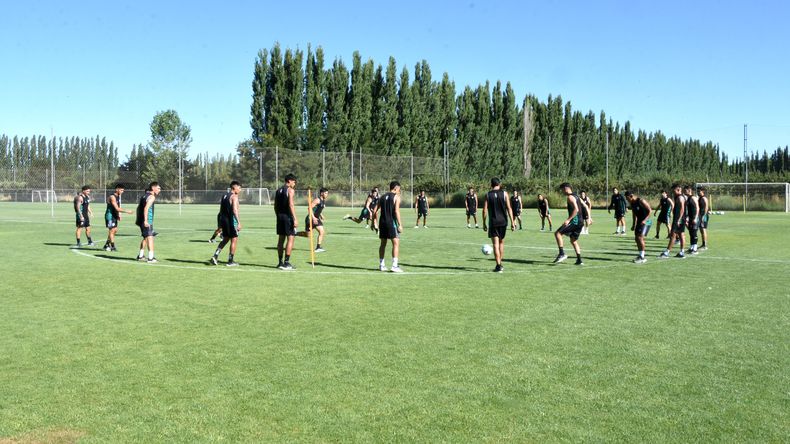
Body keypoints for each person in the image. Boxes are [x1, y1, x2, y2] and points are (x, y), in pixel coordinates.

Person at [482, 178, 515, 273]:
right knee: (501, 243)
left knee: (495, 244)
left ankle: (498, 265)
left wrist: (484, 223)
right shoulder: (505, 194)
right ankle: (500, 263)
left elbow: (484, 210)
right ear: (499, 184)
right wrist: (513, 222)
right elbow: (509, 208)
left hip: (493, 222)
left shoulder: (488, 195)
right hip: (503, 222)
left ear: (491, 184)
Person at [209, 181, 242, 266]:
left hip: (224, 220)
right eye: (239, 188)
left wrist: (221, 223)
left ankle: (215, 256)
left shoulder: (224, 196)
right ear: (234, 187)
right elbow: (235, 210)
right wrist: (239, 222)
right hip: (231, 221)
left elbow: (221, 210)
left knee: (226, 239)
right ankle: (230, 261)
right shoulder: (234, 197)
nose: (240, 190)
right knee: (234, 239)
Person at [373, 181, 404, 272]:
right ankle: (394, 266)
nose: (399, 191)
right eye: (399, 189)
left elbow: (375, 211)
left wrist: (373, 223)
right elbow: (396, 211)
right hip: (391, 223)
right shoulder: (396, 197)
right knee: (396, 243)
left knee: (383, 244)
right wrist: (400, 224)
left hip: (382, 223)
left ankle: (381, 265)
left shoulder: (382, 197)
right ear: (395, 188)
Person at [553, 183, 584, 265]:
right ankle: (579, 260)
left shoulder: (570, 197)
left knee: (558, 233)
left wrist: (568, 220)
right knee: (573, 240)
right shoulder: (576, 196)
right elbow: (584, 206)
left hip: (575, 221)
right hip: (581, 222)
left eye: (562, 189)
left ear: (566, 188)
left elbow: (576, 209)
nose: (562, 191)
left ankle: (561, 253)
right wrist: (589, 217)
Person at [274, 174, 298, 270]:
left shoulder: (278, 191)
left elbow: (275, 206)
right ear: (289, 181)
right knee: (290, 239)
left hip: (280, 217)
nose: (294, 184)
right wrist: (295, 218)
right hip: (288, 217)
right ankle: (286, 263)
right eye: (294, 182)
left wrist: (278, 215)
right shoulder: (290, 190)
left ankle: (280, 262)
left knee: (281, 240)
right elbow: (291, 205)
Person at [135, 182, 161, 263]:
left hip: (142, 220)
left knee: (145, 238)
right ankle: (151, 258)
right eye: (158, 188)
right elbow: (146, 208)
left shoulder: (144, 196)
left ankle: (141, 256)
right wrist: (146, 221)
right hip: (147, 221)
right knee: (150, 237)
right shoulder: (151, 197)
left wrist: (138, 220)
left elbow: (138, 208)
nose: (159, 190)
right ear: (153, 188)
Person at [658, 184, 687, 259]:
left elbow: (682, 209)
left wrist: (679, 219)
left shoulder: (680, 197)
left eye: (673, 190)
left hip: (678, 219)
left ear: (677, 189)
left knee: (673, 235)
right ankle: (682, 252)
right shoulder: (678, 197)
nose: (673, 192)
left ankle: (666, 253)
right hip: (680, 219)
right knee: (681, 234)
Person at [297, 187, 329, 253]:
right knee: (308, 235)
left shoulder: (323, 200)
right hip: (310, 218)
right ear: (322, 193)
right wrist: (313, 217)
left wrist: (321, 215)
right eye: (326, 193)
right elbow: (309, 208)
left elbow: (317, 209)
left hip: (316, 218)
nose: (327, 194)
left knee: (321, 231)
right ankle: (294, 233)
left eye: (327, 193)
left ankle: (318, 247)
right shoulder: (317, 200)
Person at [103, 183, 133, 251]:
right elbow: (116, 208)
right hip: (110, 216)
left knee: (115, 230)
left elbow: (118, 206)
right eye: (121, 190)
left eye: (123, 190)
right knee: (112, 230)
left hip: (114, 215)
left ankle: (107, 244)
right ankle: (113, 247)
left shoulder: (118, 196)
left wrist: (119, 214)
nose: (123, 191)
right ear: (117, 189)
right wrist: (127, 211)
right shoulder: (112, 197)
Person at [625, 191, 653, 263]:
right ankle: (640, 255)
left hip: (647, 221)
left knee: (640, 237)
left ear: (631, 196)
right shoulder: (632, 203)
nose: (627, 200)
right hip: (640, 222)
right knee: (636, 238)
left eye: (627, 198)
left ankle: (642, 257)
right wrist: (634, 224)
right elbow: (634, 214)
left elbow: (650, 211)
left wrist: (644, 220)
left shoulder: (641, 201)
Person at [684, 185, 700, 255]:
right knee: (691, 233)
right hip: (690, 218)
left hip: (694, 218)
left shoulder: (693, 197)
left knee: (694, 233)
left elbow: (697, 208)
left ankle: (695, 249)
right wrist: (687, 218)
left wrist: (695, 218)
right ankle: (691, 247)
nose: (684, 191)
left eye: (686, 190)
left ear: (689, 190)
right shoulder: (687, 198)